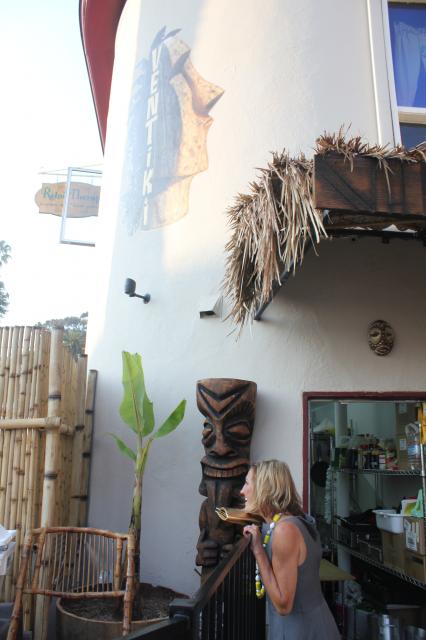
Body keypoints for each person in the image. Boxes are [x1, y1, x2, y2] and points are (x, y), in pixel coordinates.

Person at [242, 460, 340, 639]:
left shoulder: (285, 531)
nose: (242, 491)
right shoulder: (293, 520)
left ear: (264, 489)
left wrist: (258, 551)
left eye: (247, 483)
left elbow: (283, 605)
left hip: (303, 630)